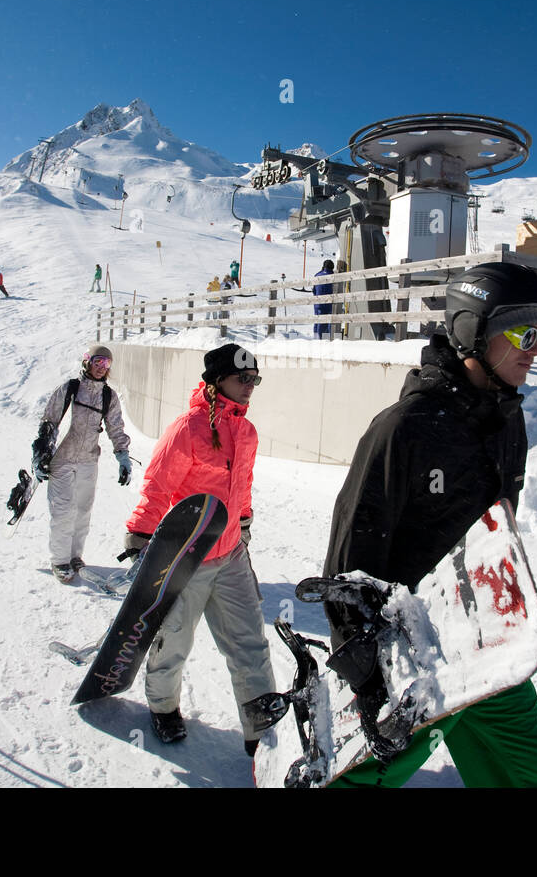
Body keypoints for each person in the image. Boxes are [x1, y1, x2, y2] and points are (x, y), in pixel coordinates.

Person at [322, 261, 537, 788]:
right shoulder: (403, 429)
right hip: (410, 646)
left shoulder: (508, 418)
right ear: (471, 330)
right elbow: (349, 555)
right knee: (365, 775)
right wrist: (363, 665)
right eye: (525, 331)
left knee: (532, 776)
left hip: (485, 639)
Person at [123, 343, 276, 754]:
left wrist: (243, 523)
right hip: (186, 555)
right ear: (216, 381)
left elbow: (241, 485)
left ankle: (261, 730)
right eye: (242, 379)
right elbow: (158, 485)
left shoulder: (246, 431)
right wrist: (140, 535)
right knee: (173, 639)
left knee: (250, 644)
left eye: (254, 380)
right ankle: (162, 705)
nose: (250, 387)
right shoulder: (188, 428)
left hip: (230, 556)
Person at [32, 345, 131, 582]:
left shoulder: (108, 396)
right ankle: (59, 560)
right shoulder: (70, 389)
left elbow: (115, 427)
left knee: (83, 512)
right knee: (63, 511)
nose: (101, 368)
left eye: (106, 364)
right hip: (63, 461)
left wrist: (123, 456)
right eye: (98, 362)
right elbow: (50, 422)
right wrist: (40, 454)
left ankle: (75, 556)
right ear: (87, 362)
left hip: (88, 461)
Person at [313, 259, 336, 339]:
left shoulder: (317, 275)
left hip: (318, 303)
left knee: (318, 321)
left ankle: (317, 339)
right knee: (329, 321)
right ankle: (326, 339)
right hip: (329, 304)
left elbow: (314, 291)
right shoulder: (334, 276)